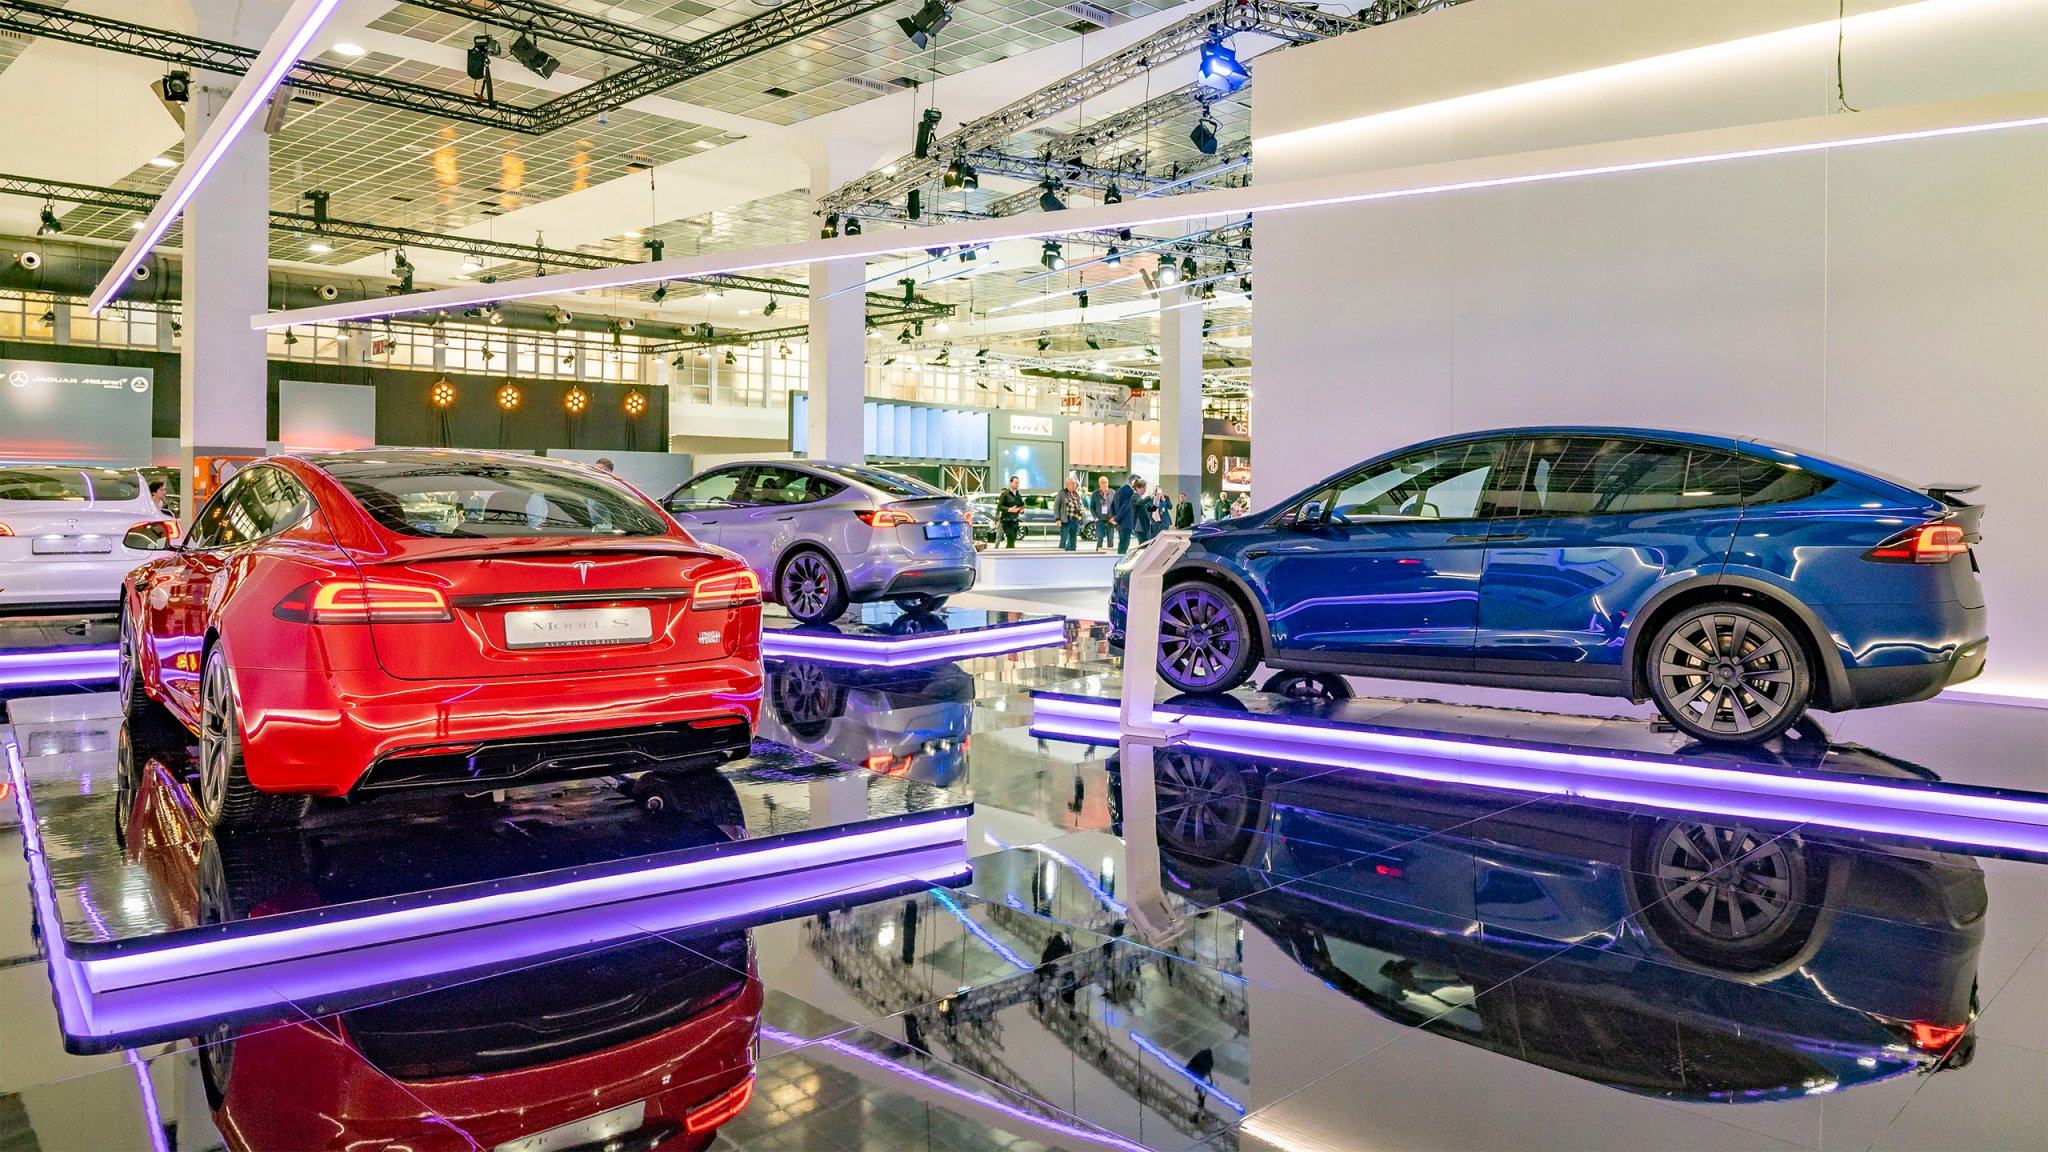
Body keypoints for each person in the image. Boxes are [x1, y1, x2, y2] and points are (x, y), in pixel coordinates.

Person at [1110, 474, 1138, 554]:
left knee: (1122, 542)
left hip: (1120, 522)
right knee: (1124, 543)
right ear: (1133, 482)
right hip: (1126, 521)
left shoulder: (1119, 490)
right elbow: (1125, 507)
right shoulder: (1130, 492)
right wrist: (1116, 518)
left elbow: (1112, 505)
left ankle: (1119, 557)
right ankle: (1121, 560)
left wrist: (1114, 517)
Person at [1055, 477, 1084, 551]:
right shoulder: (1062, 493)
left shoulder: (1076, 494)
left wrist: (1080, 515)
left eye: (1075, 484)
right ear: (1067, 484)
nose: (1074, 485)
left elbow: (1079, 507)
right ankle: (1060, 555)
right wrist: (1057, 519)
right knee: (1063, 540)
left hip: (1075, 521)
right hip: (1065, 520)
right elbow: (1056, 506)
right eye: (1072, 483)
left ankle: (1073, 555)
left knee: (1073, 541)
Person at [997, 475, 1026, 549]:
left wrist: (1021, 510)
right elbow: (999, 507)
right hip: (1007, 520)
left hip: (1015, 520)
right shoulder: (1005, 494)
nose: (1017, 484)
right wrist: (1009, 509)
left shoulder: (1018, 495)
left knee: (1013, 540)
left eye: (1018, 483)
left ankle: (1009, 553)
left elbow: (1021, 506)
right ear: (1011, 483)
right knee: (1011, 538)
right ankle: (1010, 555)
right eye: (1016, 483)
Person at [1089, 476, 1114, 551]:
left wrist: (1114, 517)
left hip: (1110, 520)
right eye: (1102, 482)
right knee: (1100, 539)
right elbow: (1091, 507)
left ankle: (1110, 555)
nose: (1105, 484)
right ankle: (1098, 554)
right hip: (1099, 520)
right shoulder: (1095, 494)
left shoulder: (1113, 492)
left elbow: (1116, 506)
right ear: (1099, 484)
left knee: (1110, 539)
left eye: (1106, 482)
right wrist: (1095, 517)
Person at [1132, 479, 1155, 544]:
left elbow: (1152, 509)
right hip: (1139, 526)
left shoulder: (1140, 498)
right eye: (1144, 488)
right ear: (1137, 488)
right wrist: (1149, 496)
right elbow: (1140, 502)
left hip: (1144, 526)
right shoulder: (1134, 497)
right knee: (1143, 545)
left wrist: (1156, 501)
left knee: (1145, 545)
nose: (1145, 490)